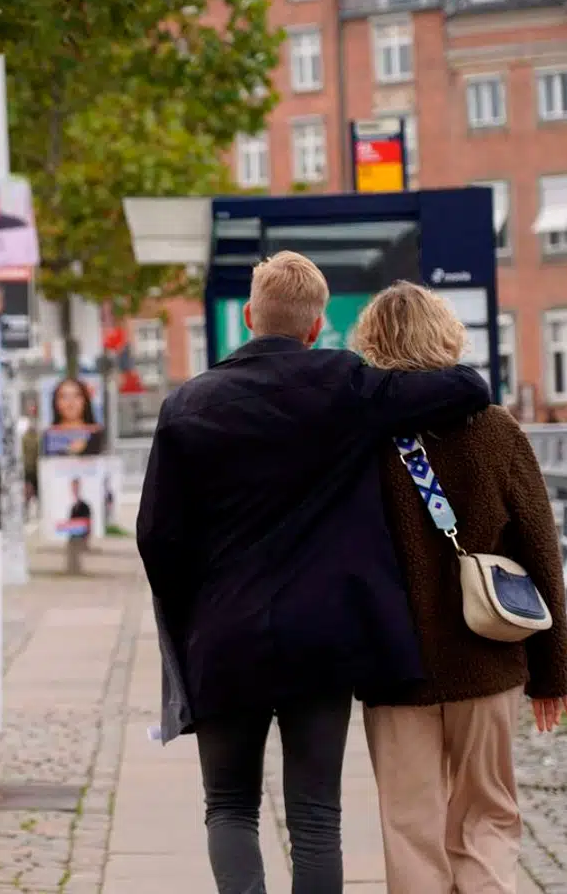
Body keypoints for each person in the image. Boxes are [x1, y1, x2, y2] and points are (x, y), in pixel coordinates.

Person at [136, 252, 492, 894]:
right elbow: (468, 387)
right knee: (316, 817)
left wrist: (193, 614)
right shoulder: (347, 386)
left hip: (225, 634)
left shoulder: (189, 405)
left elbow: (158, 537)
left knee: (230, 807)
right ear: (317, 324)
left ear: (248, 317)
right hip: (323, 637)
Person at [350, 282, 567, 894]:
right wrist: (551, 674)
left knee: (409, 824)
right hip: (488, 657)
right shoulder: (496, 429)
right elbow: (540, 552)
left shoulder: (357, 439)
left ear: (372, 342)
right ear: (449, 337)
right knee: (488, 816)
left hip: (394, 667)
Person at [44, 376, 104, 456]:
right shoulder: (47, 436)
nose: (70, 402)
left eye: (76, 395)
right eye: (64, 396)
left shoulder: (98, 434)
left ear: (85, 400)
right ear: (55, 402)